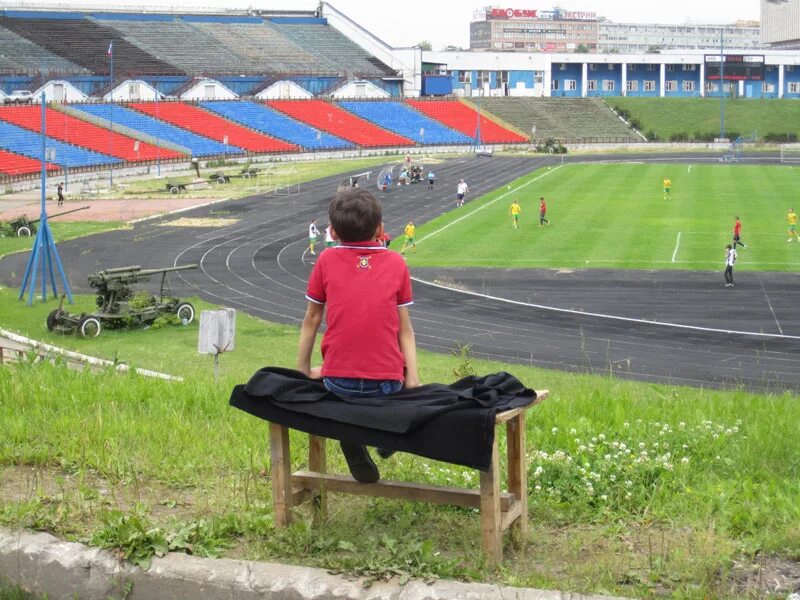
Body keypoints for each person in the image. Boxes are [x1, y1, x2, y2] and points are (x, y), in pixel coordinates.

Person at [297, 188, 418, 483]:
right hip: (387, 385)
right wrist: (411, 379)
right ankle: (388, 433)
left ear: (333, 232)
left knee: (341, 392)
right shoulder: (396, 263)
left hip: (338, 382)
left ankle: (350, 437)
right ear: (380, 229)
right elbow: (405, 330)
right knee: (400, 395)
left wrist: (302, 370)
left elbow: (312, 319)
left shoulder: (325, 260)